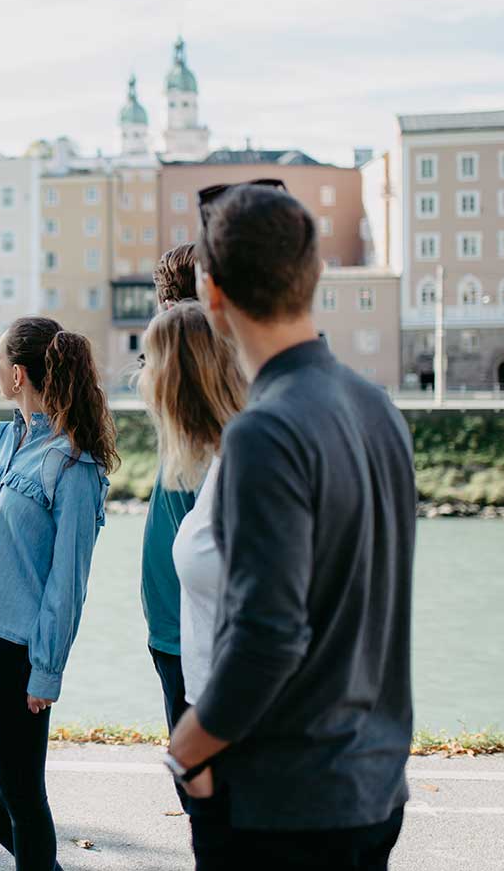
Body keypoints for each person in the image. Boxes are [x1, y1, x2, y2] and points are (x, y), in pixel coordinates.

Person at [163, 184, 416, 869]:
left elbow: (266, 638)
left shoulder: (262, 431)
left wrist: (185, 751)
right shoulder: (374, 405)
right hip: (373, 782)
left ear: (209, 293)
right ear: (312, 278)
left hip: (283, 802)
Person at [0, 317, 117, 871]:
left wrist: (47, 670)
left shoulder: (73, 465)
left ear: (16, 373)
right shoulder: (10, 437)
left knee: (22, 796)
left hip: (17, 648)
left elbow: (69, 581)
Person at [139, 242, 202, 808]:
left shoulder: (221, 436)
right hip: (171, 628)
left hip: (194, 638)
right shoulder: (181, 417)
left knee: (206, 797)